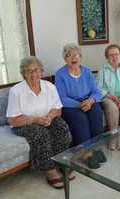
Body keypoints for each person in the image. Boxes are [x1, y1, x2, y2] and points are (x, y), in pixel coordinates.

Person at [6, 56, 73, 189]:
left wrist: (50, 117)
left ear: (41, 71)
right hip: (24, 124)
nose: (33, 74)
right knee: (40, 133)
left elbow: (57, 109)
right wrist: (35, 119)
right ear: (24, 73)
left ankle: (61, 162)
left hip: (46, 119)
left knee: (62, 126)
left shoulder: (49, 86)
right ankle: (49, 170)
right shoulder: (16, 91)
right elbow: (13, 119)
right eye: (29, 71)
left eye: (36, 70)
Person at [55, 43, 103, 145]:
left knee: (96, 112)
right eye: (69, 55)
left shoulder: (87, 72)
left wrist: (90, 101)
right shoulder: (60, 74)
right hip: (70, 105)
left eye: (76, 55)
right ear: (65, 59)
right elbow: (61, 98)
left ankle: (98, 148)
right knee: (80, 119)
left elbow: (97, 92)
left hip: (88, 101)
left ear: (80, 58)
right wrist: (79, 104)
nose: (73, 58)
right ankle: (84, 153)